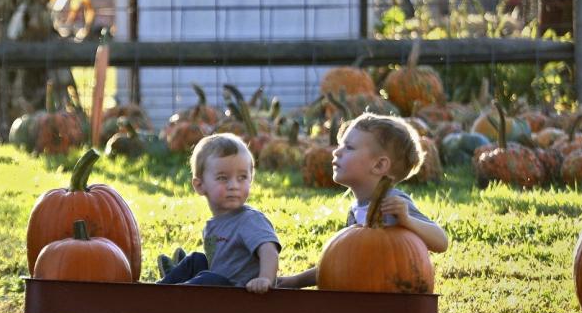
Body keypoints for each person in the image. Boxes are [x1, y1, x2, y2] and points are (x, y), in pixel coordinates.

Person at [277, 113, 448, 289]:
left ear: (379, 165)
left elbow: (441, 242)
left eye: (349, 147)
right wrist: (297, 281)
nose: (336, 151)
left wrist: (407, 220)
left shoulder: (393, 202)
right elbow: (339, 260)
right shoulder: (355, 211)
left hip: (394, 295)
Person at [157, 133, 280, 293]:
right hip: (218, 290)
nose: (233, 185)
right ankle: (159, 290)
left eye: (242, 177)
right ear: (200, 185)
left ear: (251, 179)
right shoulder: (212, 225)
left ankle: (172, 298)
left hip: (241, 296)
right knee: (196, 260)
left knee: (210, 279)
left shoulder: (250, 219)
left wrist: (265, 278)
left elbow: (269, 249)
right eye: (223, 178)